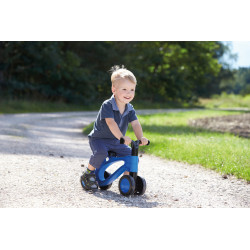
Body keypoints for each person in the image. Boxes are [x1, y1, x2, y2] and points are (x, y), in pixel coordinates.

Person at [81, 65, 149, 191]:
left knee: (131, 155)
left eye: (132, 90)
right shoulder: (107, 105)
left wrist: (141, 137)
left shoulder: (130, 108)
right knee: (100, 153)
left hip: (117, 141)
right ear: (114, 89)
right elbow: (111, 123)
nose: (128, 93)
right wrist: (122, 137)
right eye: (124, 89)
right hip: (99, 139)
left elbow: (135, 124)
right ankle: (88, 173)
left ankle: (128, 180)